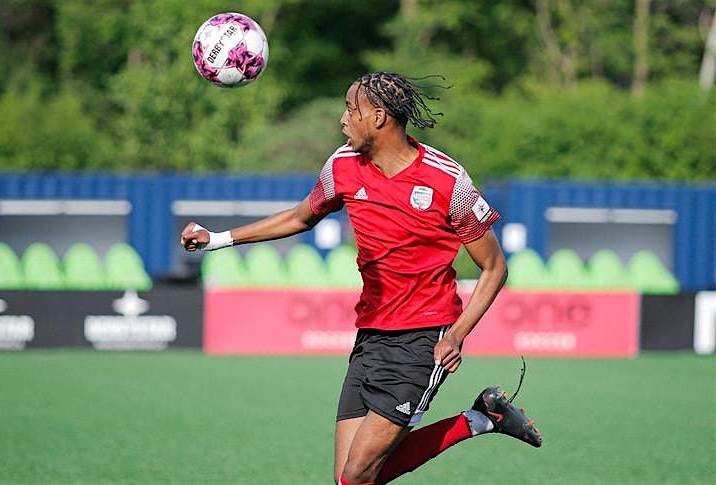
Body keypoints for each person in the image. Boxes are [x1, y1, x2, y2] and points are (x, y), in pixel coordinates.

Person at [181, 71, 541, 485]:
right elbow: (301, 217)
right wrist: (217, 239)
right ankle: (482, 418)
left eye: (352, 109)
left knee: (356, 477)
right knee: (350, 479)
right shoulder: (343, 166)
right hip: (370, 335)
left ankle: (479, 419)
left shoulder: (448, 181)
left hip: (423, 339)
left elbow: (495, 267)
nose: (343, 119)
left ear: (380, 117)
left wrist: (456, 334)